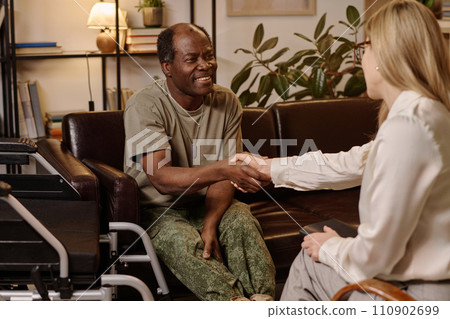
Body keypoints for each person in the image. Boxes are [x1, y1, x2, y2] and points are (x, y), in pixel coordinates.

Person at [232, 0, 450, 300]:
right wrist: (269, 168)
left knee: (310, 262)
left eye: (365, 49)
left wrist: (332, 248)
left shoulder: (409, 127)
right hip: (427, 285)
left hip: (417, 295)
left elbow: (377, 255)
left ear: (384, 56)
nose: (361, 60)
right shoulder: (430, 114)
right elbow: (352, 163)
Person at [123, 23, 275, 301]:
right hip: (158, 210)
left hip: (206, 202)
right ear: (167, 67)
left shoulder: (227, 101)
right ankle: (234, 303)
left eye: (209, 56)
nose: (205, 65)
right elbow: (162, 179)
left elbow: (226, 178)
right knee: (181, 241)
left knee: (242, 219)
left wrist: (210, 222)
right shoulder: (144, 105)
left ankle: (263, 301)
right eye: (192, 59)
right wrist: (223, 168)